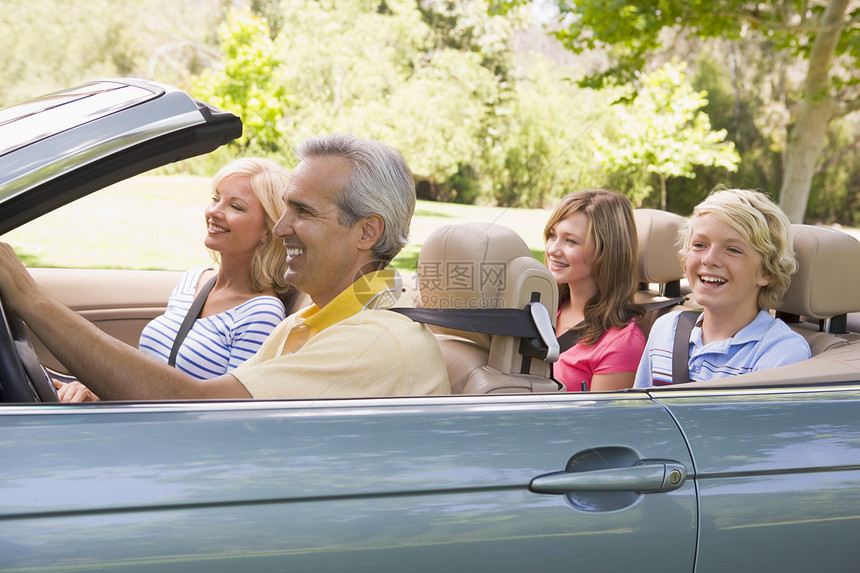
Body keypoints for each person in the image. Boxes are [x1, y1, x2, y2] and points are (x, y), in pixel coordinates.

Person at [0, 134, 450, 402]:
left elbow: (198, 406)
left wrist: (31, 299)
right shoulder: (312, 322)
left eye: (303, 212)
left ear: (367, 232)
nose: (280, 227)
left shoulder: (374, 339)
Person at [634, 188, 811, 387]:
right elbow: (640, 414)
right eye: (700, 245)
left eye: (733, 250)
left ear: (767, 272)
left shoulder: (779, 352)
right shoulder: (666, 329)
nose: (709, 259)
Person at [138, 158, 291, 379]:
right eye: (215, 199)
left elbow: (232, 407)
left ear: (268, 229)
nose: (214, 212)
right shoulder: (193, 280)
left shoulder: (262, 313)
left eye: (236, 206)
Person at [544, 189, 646, 392]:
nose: (552, 250)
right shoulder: (542, 310)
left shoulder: (622, 344)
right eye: (552, 235)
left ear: (606, 251)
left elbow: (598, 423)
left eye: (570, 241)